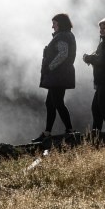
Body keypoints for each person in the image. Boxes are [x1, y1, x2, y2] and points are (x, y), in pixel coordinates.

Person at [33, 13, 76, 141]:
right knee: (51, 103)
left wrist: (49, 67)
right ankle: (48, 132)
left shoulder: (62, 36)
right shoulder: (65, 35)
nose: (52, 27)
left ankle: (69, 130)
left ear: (60, 24)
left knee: (57, 102)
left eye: (54, 24)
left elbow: (63, 54)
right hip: (59, 75)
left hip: (59, 75)